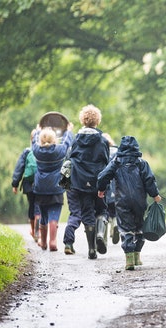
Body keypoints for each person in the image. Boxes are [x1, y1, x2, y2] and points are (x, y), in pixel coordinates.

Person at [97, 135, 162, 270]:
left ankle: (129, 259)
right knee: (139, 227)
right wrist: (155, 195)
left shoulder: (116, 162)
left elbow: (103, 176)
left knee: (126, 228)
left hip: (122, 200)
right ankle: (137, 255)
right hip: (140, 200)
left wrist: (101, 189)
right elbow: (149, 180)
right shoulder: (141, 163)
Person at [69, 104, 110, 260]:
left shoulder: (76, 140)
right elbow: (106, 163)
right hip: (98, 181)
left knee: (87, 213)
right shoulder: (102, 140)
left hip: (80, 182)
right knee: (102, 210)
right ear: (97, 121)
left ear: (83, 120)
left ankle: (92, 249)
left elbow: (70, 159)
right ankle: (100, 233)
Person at [32, 124, 74, 251]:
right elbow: (67, 142)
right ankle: (53, 241)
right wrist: (69, 130)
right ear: (54, 139)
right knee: (54, 214)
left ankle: (43, 242)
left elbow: (34, 140)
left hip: (40, 188)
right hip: (56, 187)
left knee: (43, 214)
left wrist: (38, 131)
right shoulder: (59, 150)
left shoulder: (37, 151)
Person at [12, 129, 40, 241]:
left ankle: (33, 231)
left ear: (31, 139)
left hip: (28, 183)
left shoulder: (27, 151)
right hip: (41, 182)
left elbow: (19, 168)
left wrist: (15, 184)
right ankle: (39, 231)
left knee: (32, 205)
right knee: (39, 206)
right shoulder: (44, 150)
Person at [102, 133, 119, 245]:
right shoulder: (117, 152)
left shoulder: (101, 152)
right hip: (115, 185)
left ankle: (104, 235)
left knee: (104, 210)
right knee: (115, 209)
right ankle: (116, 224)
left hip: (104, 184)